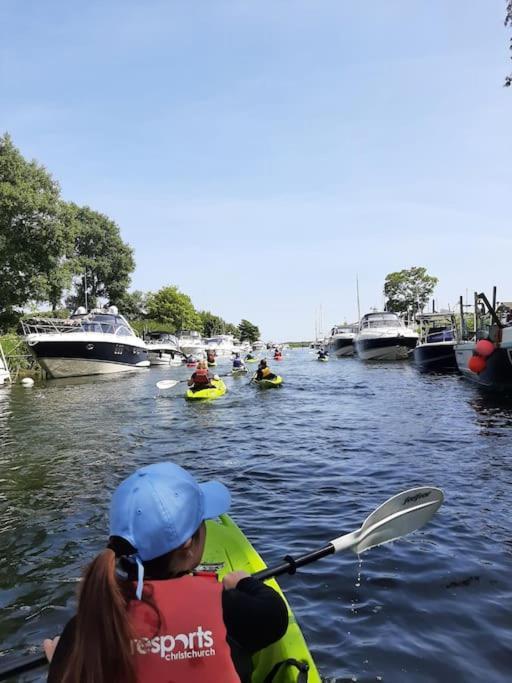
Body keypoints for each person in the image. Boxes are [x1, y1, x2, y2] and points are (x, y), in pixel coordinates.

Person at [44, 462, 288, 683]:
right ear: (188, 546)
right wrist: (244, 582)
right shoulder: (226, 606)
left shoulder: (87, 627)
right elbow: (275, 615)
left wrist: (63, 664)